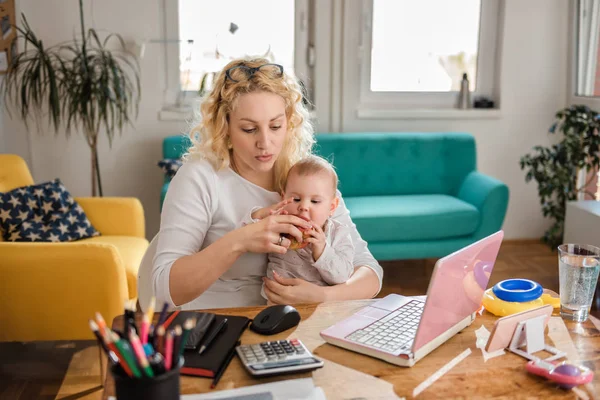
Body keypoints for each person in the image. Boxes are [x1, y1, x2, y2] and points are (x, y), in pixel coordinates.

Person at [152, 58, 383, 310]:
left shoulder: (307, 181)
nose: (265, 142)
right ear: (225, 127)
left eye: (275, 126)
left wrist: (322, 296)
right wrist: (240, 241)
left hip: (298, 320)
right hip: (217, 319)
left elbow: (370, 273)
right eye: (249, 129)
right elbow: (165, 289)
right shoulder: (199, 178)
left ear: (290, 122)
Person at [241, 155, 355, 301]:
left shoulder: (338, 233)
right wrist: (259, 215)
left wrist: (321, 250)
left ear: (332, 207)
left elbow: (342, 276)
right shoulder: (280, 222)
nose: (303, 207)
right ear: (284, 198)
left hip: (319, 306)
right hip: (277, 300)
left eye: (315, 201)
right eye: (296, 199)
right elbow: (246, 235)